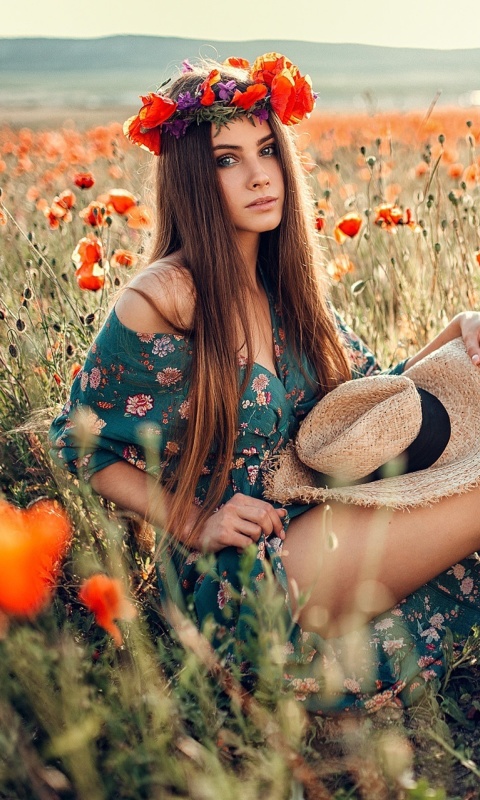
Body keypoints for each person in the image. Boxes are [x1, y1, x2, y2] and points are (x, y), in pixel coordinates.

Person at [49, 53, 480, 713]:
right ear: (193, 179)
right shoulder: (167, 295)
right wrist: (193, 522)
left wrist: (458, 330)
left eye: (266, 151)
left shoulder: (287, 289)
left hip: (330, 525)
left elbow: (373, 407)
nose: (258, 176)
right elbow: (79, 443)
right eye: (227, 160)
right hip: (254, 576)